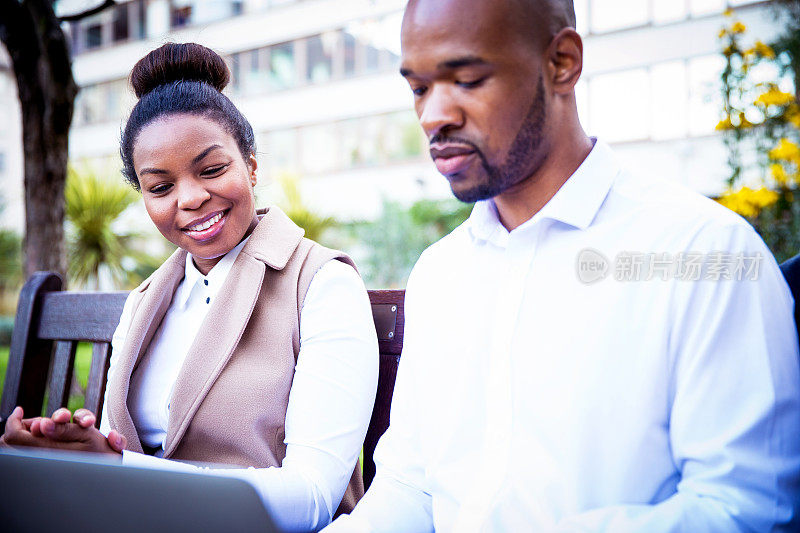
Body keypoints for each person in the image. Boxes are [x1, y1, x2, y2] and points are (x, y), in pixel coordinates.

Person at [325, 0, 800, 531]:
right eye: (418, 88)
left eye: (469, 79)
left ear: (562, 62)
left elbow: (748, 510)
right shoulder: (440, 273)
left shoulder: (707, 254)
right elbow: (411, 487)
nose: (434, 114)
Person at [1, 42, 379, 533]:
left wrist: (118, 469)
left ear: (252, 164)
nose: (192, 198)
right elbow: (115, 457)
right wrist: (52, 457)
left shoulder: (323, 285)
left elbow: (312, 499)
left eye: (213, 169)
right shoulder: (144, 305)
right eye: (160, 187)